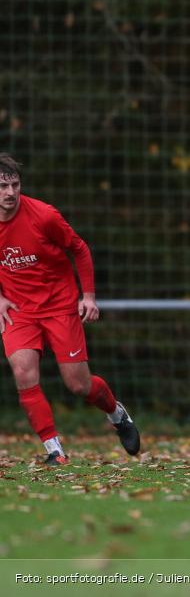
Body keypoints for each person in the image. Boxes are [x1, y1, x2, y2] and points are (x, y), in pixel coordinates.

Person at [0, 154, 140, 465]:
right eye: (2, 186)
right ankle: (55, 450)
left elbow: (79, 248)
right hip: (19, 310)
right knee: (23, 373)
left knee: (78, 385)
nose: (10, 193)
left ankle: (116, 414)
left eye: (15, 185)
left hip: (59, 304)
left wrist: (87, 296)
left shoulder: (44, 216)